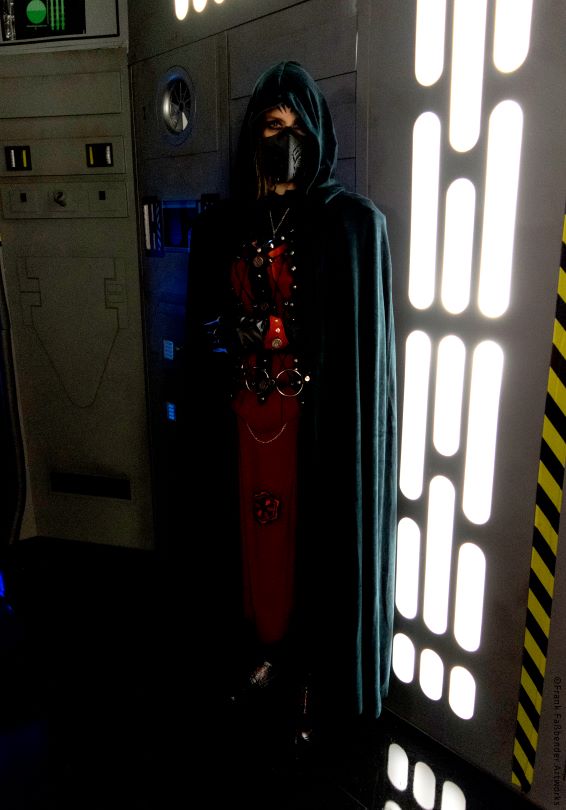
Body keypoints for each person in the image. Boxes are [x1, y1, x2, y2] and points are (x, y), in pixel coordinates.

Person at [182, 61, 397, 746]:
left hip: (310, 428)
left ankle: (311, 675)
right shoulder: (228, 226)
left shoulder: (346, 225)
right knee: (257, 551)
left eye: (298, 128)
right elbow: (208, 323)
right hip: (248, 420)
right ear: (255, 134)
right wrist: (221, 343)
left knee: (313, 551)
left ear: (318, 135)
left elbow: (353, 352)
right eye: (273, 126)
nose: (285, 139)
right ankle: (265, 654)